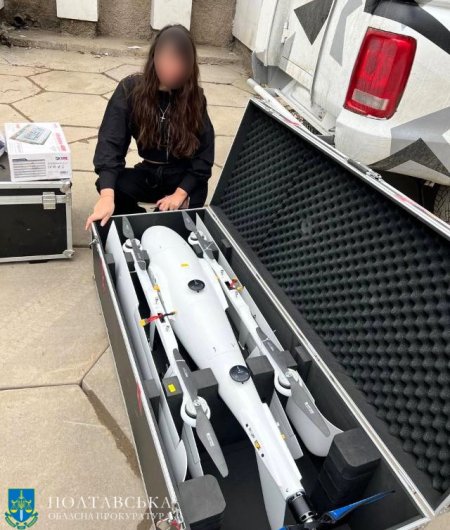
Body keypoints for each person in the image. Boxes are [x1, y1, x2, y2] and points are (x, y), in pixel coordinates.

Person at [85, 24, 215, 230]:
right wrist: (107, 198)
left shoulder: (195, 98)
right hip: (149, 172)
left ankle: (163, 217)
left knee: (195, 192)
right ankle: (142, 219)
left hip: (180, 177)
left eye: (179, 61)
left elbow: (204, 156)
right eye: (166, 59)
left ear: (189, 65)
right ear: (154, 57)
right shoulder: (130, 89)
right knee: (107, 184)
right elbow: (110, 142)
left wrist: (180, 194)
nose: (172, 68)